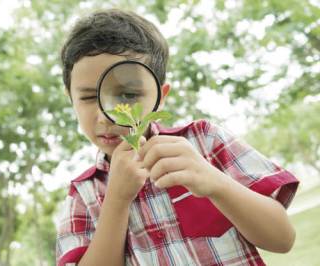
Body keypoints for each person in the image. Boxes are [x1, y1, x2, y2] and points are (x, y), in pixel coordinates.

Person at [56, 9, 299, 266]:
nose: (107, 116)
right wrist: (117, 200)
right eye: (88, 97)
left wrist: (214, 182)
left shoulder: (205, 141)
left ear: (160, 98)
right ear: (70, 99)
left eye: (127, 95)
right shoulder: (84, 194)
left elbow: (283, 239)